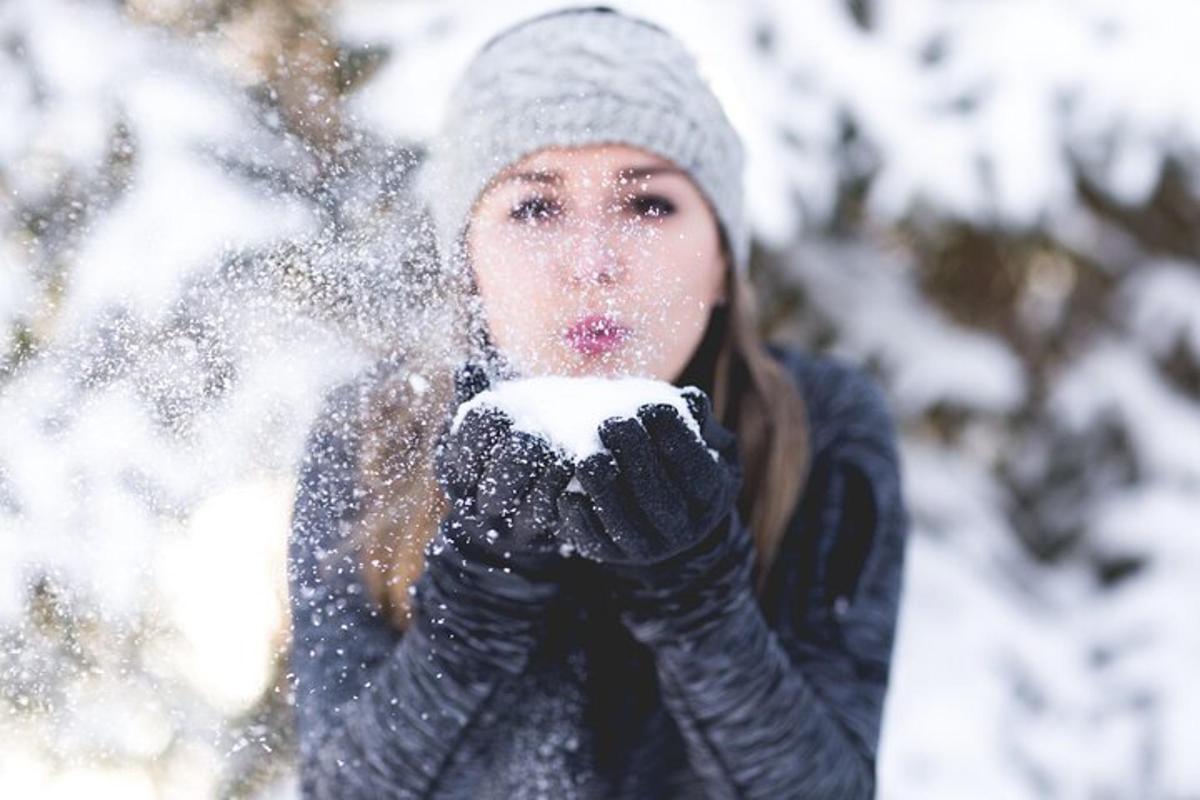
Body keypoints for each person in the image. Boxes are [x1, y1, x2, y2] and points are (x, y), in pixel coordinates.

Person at [287, 6, 909, 799]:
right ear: (469, 260)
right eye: (536, 206)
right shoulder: (374, 438)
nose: (591, 262)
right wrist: (483, 587)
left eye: (648, 204)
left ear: (721, 259)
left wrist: (697, 597)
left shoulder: (817, 431)